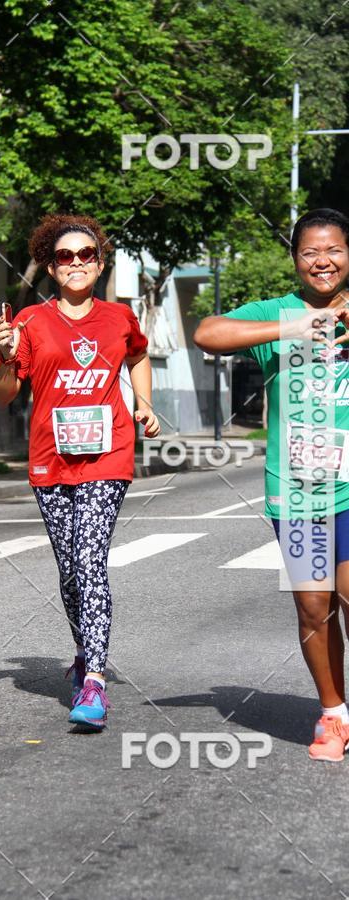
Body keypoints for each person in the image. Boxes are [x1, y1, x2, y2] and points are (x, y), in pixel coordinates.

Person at [0, 213, 160, 730]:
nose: (76, 263)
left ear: (100, 262)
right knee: (70, 572)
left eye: (86, 255)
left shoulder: (119, 318)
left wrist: (145, 404)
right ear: (50, 266)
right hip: (50, 459)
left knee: (90, 562)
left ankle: (94, 679)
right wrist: (3, 359)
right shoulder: (28, 323)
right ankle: (83, 653)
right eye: (65, 257)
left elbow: (137, 358)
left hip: (108, 455)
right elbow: (4, 397)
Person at [194, 207, 349, 762]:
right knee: (314, 607)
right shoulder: (277, 313)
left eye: (333, 250)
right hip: (299, 489)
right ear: (296, 260)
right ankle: (334, 713)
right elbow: (208, 333)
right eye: (310, 252)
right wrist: (295, 326)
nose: (322, 261)